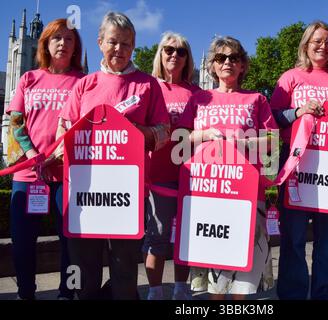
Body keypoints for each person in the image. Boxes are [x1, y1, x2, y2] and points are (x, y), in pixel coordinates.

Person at [58, 12, 169, 300]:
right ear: (99, 43)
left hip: (126, 193)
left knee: (123, 273)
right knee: (84, 271)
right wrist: (59, 151)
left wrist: (136, 131)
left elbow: (163, 132)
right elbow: (65, 128)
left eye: (126, 44)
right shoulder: (84, 84)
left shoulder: (148, 84)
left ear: (133, 47)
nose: (119, 49)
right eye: (113, 42)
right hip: (86, 190)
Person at [177, 36, 276, 300]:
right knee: (213, 257)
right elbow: (179, 141)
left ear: (243, 65)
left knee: (244, 256)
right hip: (208, 189)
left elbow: (273, 142)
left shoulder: (256, 99)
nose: (228, 62)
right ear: (212, 66)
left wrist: (244, 141)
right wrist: (205, 134)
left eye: (234, 57)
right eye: (220, 58)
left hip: (246, 190)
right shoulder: (199, 98)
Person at [270, 21, 328, 300]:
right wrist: (298, 111)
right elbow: (271, 119)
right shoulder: (290, 77)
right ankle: (293, 294)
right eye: (317, 41)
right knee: (293, 239)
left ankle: (324, 294)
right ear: (305, 45)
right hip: (297, 166)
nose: (323, 46)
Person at [6, 18, 85, 300]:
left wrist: (64, 149)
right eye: (57, 38)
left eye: (69, 39)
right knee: (22, 241)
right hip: (29, 174)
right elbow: (16, 122)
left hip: (67, 173)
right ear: (46, 44)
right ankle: (25, 292)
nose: (63, 43)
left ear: (76, 46)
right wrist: (31, 154)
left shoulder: (83, 81)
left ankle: (67, 293)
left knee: (71, 241)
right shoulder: (29, 78)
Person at [142, 32, 200, 300]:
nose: (174, 55)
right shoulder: (148, 86)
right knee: (158, 237)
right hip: (158, 174)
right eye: (168, 50)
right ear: (160, 54)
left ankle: (180, 288)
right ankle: (155, 290)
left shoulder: (198, 93)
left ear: (188, 58)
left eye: (181, 51)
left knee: (186, 237)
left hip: (191, 175)